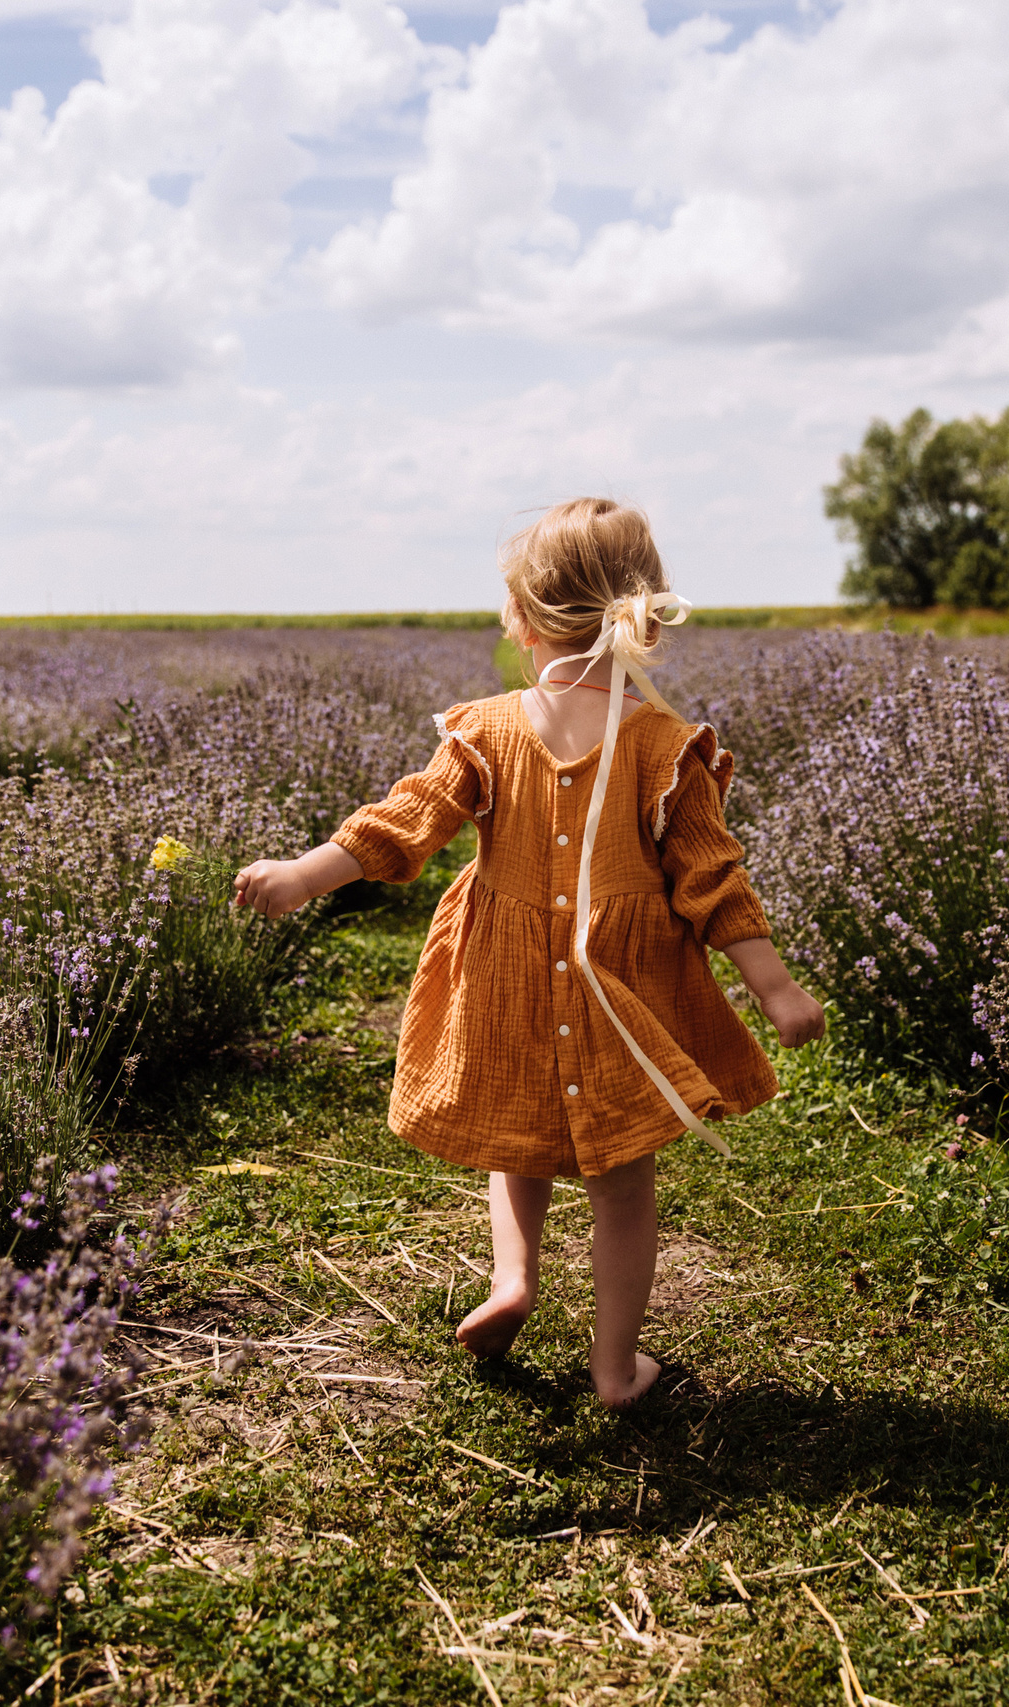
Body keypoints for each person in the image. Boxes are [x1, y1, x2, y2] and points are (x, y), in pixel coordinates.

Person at [232, 498, 826, 1407]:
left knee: (518, 1138)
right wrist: (775, 989)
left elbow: (408, 824)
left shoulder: (487, 729)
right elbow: (713, 881)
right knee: (623, 1184)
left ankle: (514, 1281)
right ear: (646, 618)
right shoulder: (666, 748)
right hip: (620, 992)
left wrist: (303, 876)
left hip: (505, 974)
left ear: (522, 619)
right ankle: (616, 1367)